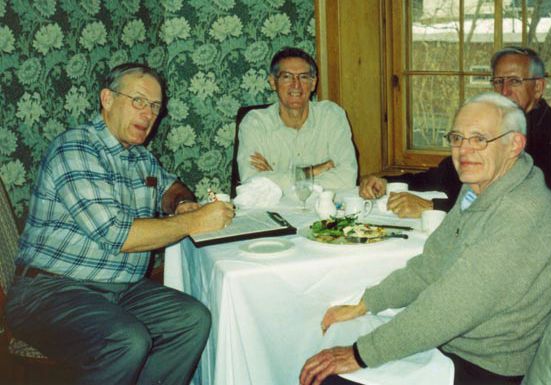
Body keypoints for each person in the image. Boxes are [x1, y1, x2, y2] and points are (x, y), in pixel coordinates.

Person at [300, 92, 551, 385]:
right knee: (334, 330)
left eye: (479, 139)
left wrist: (361, 354)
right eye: (457, 138)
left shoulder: (523, 212)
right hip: (453, 344)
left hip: (486, 366)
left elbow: (453, 305)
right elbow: (432, 264)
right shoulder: (477, 188)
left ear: (514, 144)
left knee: (330, 378)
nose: (464, 151)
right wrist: (366, 303)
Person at [5, 63, 234, 385]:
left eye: (155, 106)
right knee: (126, 339)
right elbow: (115, 234)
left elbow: (170, 186)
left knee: (192, 319)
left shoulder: (140, 158)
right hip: (49, 290)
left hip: (121, 287)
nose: (149, 113)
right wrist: (195, 221)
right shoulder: (76, 148)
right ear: (107, 99)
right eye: (138, 101)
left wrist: (181, 204)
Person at [360, 46, 551, 216]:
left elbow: (539, 211)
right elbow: (444, 175)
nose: (504, 91)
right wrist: (387, 182)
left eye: (514, 81)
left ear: (538, 88)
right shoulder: (493, 126)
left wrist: (433, 207)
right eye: (498, 82)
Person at [237, 47, 358, 190]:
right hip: (274, 211)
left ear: (313, 83)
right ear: (272, 82)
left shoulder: (331, 116)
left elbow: (347, 178)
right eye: (287, 76)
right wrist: (312, 171)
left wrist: (273, 178)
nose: (296, 85)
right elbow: (252, 184)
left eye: (303, 77)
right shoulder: (255, 123)